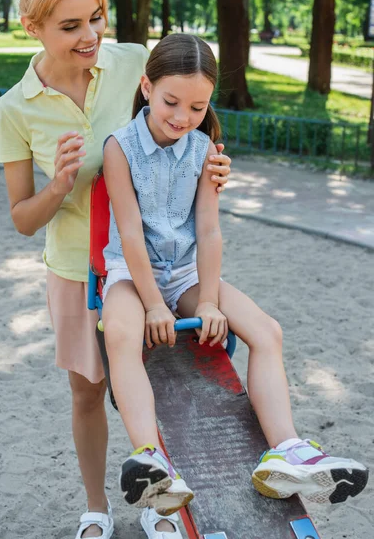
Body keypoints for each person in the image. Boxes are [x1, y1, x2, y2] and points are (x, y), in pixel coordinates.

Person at [0, 0, 232, 538]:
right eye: (70, 26)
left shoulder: (133, 63)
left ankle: (161, 502)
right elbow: (22, 218)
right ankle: (96, 508)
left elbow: (186, 116)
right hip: (76, 268)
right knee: (88, 391)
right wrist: (58, 185)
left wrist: (215, 167)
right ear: (32, 27)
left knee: (161, 380)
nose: (90, 35)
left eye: (95, 17)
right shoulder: (14, 109)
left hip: (150, 267)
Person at [102, 33, 369, 530]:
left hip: (185, 270)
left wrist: (207, 300)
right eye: (171, 102)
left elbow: (208, 228)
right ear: (146, 87)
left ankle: (284, 450)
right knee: (120, 333)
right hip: (130, 269)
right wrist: (155, 305)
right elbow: (131, 234)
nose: (182, 116)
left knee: (267, 330)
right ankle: (152, 461)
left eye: (197, 106)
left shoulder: (204, 149)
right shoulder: (120, 147)